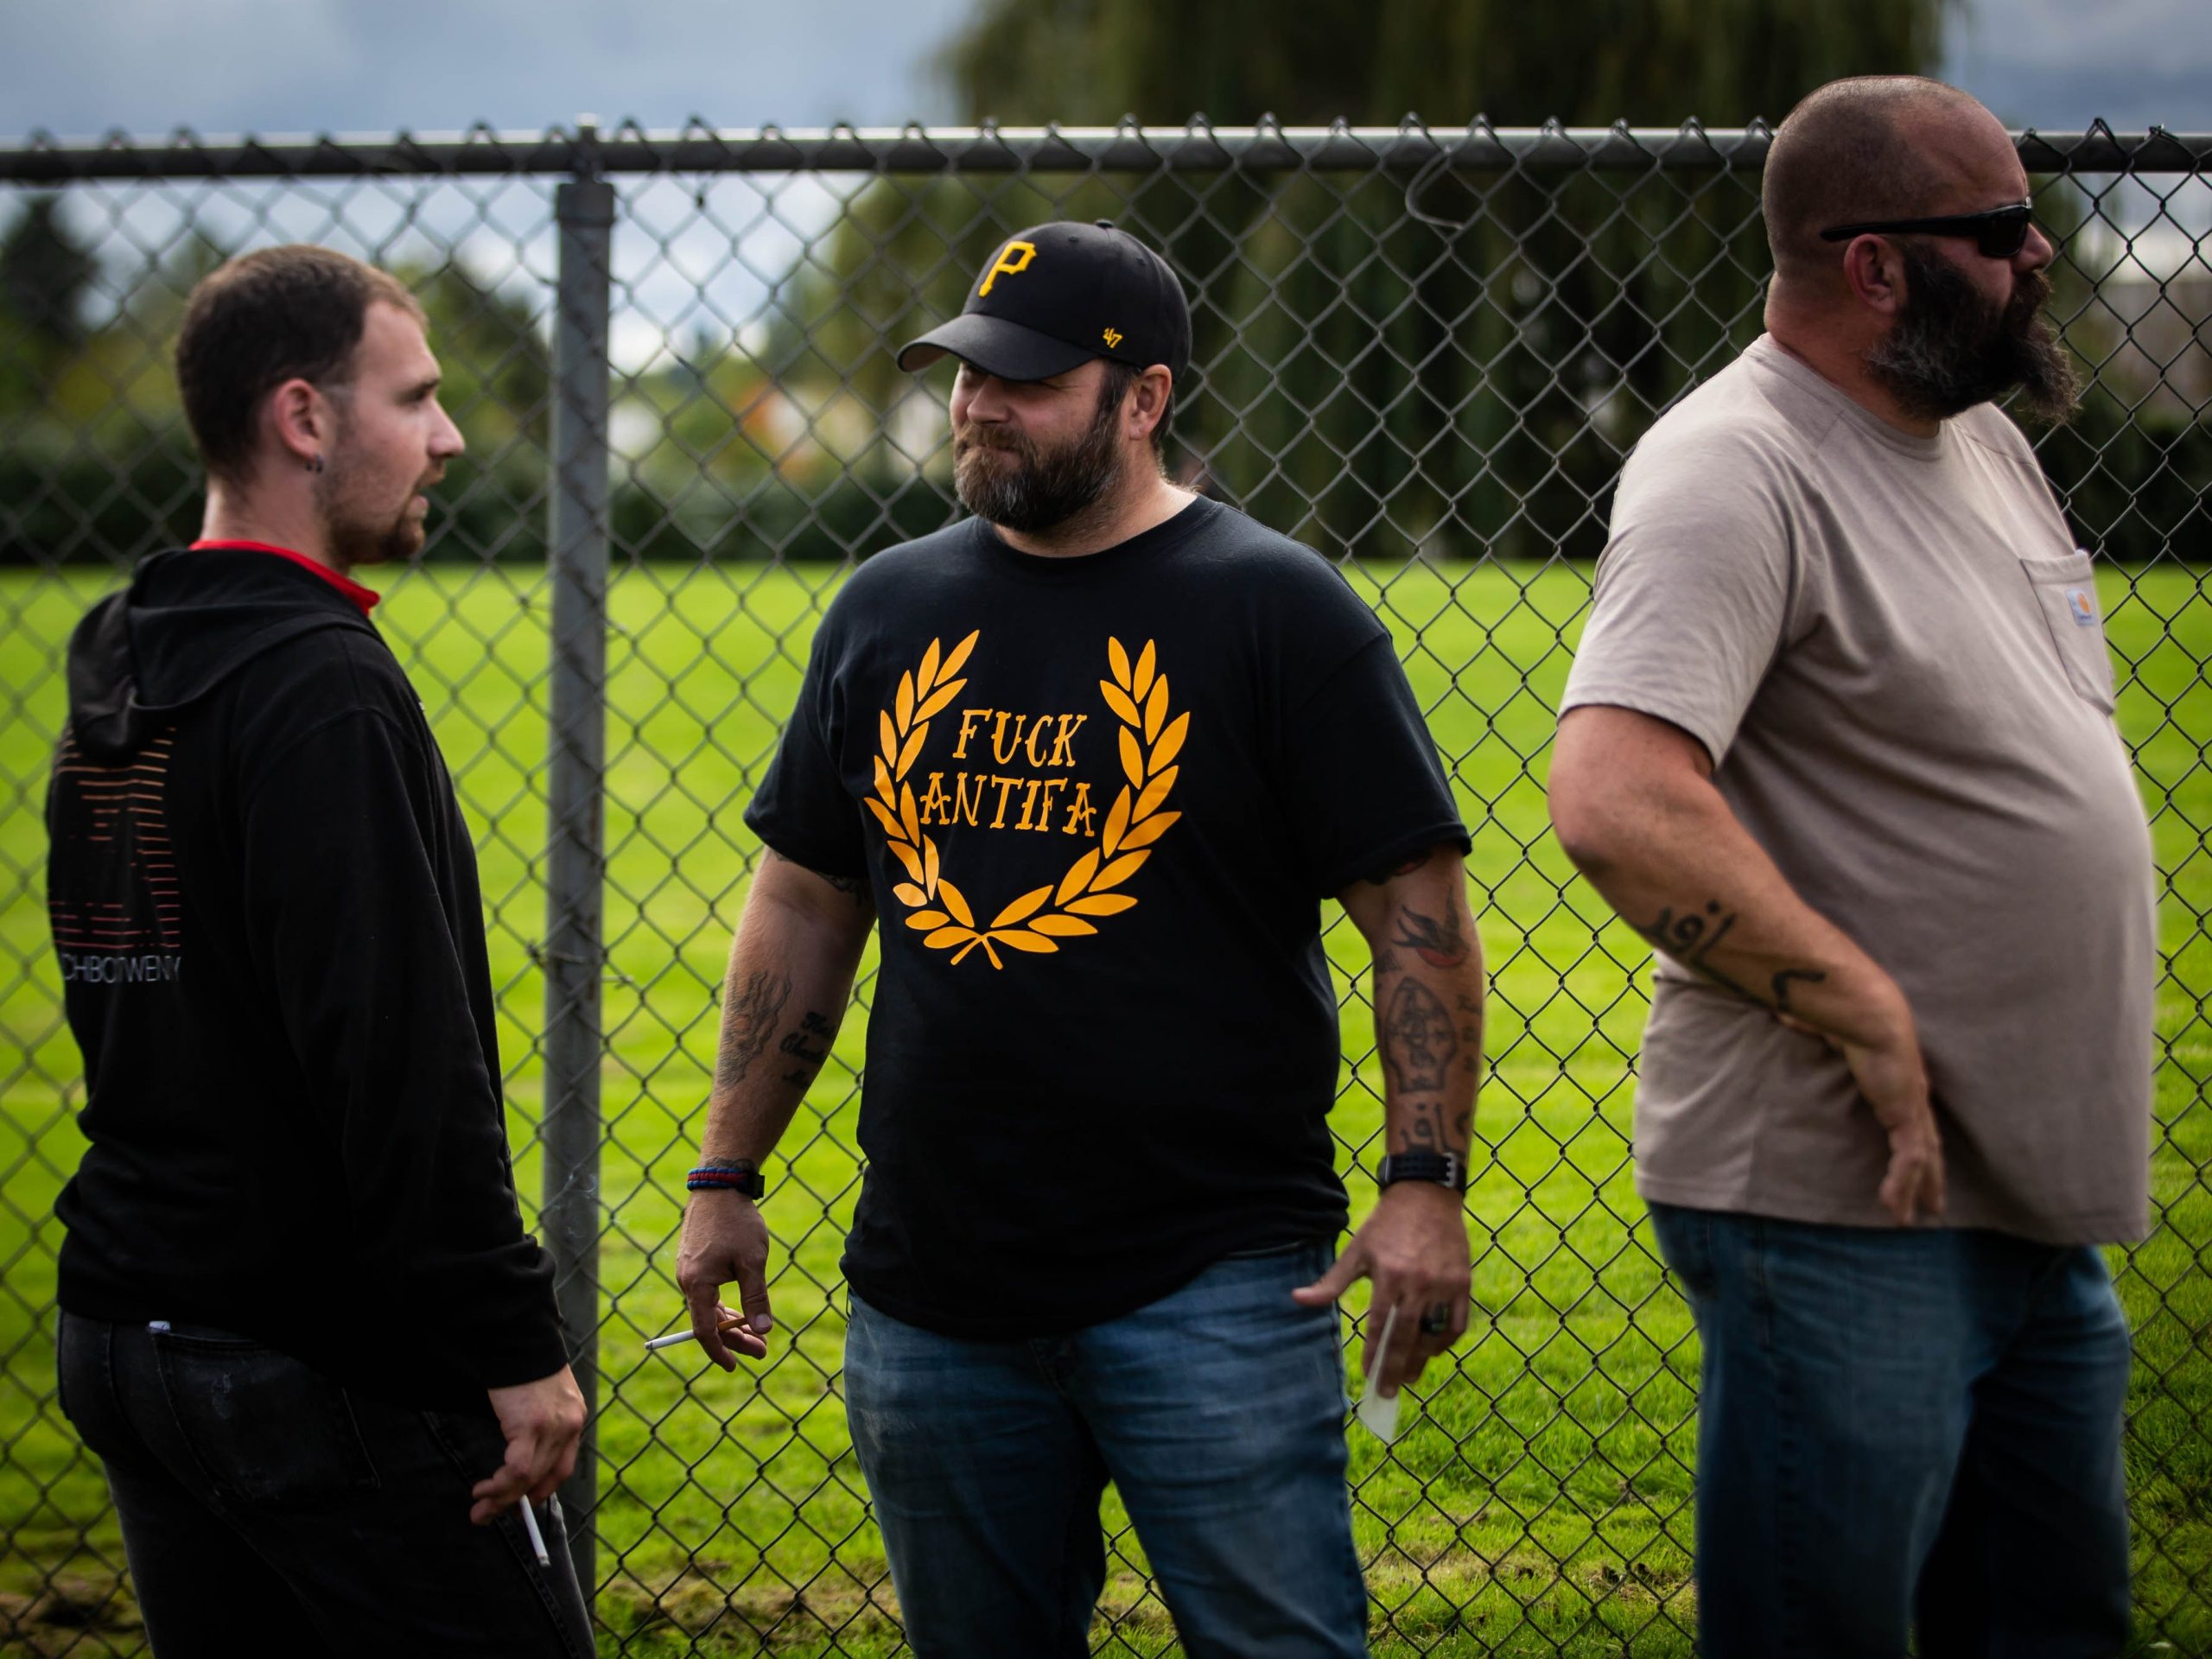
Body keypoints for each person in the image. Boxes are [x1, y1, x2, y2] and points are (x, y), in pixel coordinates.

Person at [675, 220, 1483, 1658]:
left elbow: (1415, 916)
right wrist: (726, 1168)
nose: (979, 404)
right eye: (967, 374)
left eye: (1027, 381)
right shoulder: (888, 608)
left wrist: (1422, 1185)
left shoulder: (1279, 613)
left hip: (1217, 1279)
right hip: (933, 1289)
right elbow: (806, 897)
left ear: (1145, 398)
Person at [1548, 78, 2151, 1657]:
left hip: (2019, 1197)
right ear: (1875, 266)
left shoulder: (1981, 444)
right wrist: (1863, 1006)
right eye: (2004, 233)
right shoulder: (1734, 467)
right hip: (1841, 1203)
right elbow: (1616, 791)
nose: (2039, 259)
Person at [44, 245, 638, 1656]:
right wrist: (513, 1343)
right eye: (415, 399)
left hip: (129, 1321)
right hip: (308, 1354)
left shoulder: (127, 655)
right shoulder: (318, 685)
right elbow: (398, 1064)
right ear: (303, 419)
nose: (446, 438)